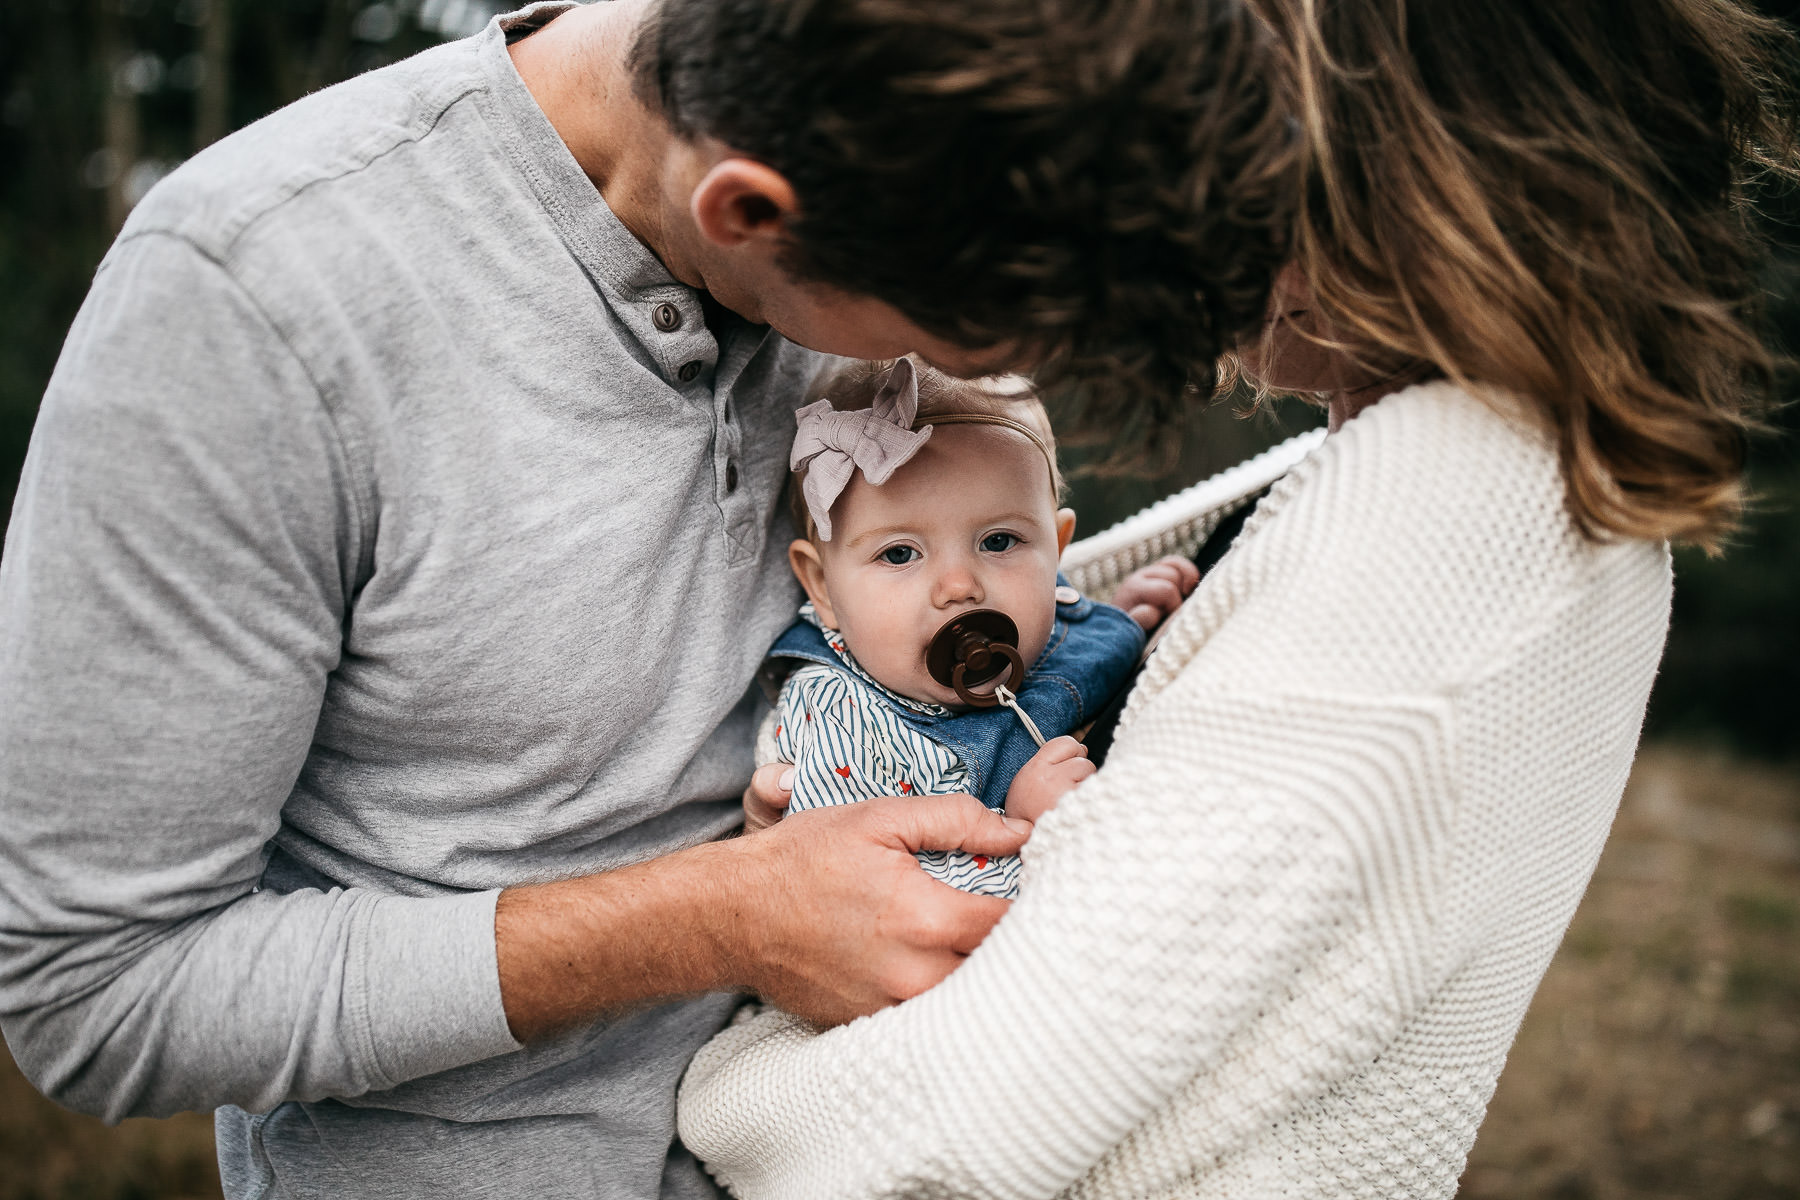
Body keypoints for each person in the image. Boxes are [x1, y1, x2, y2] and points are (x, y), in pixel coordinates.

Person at [0, 1, 1297, 1196]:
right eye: (953, 347)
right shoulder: (257, 299)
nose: (958, 384)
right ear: (746, 214)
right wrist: (726, 916)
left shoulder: (917, 191)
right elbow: (95, 992)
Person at [679, 1, 1800, 1196]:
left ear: (1378, 184)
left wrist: (730, 1064)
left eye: (1214, 139)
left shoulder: (1441, 531)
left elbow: (946, 1131)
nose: (1159, 203)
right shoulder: (1424, 468)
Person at [762, 355, 1190, 898]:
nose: (959, 586)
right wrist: (1021, 828)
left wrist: (1114, 620)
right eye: (899, 553)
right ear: (822, 587)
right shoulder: (836, 722)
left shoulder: (1043, 616)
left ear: (1055, 551)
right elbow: (878, 907)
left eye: (998, 542)